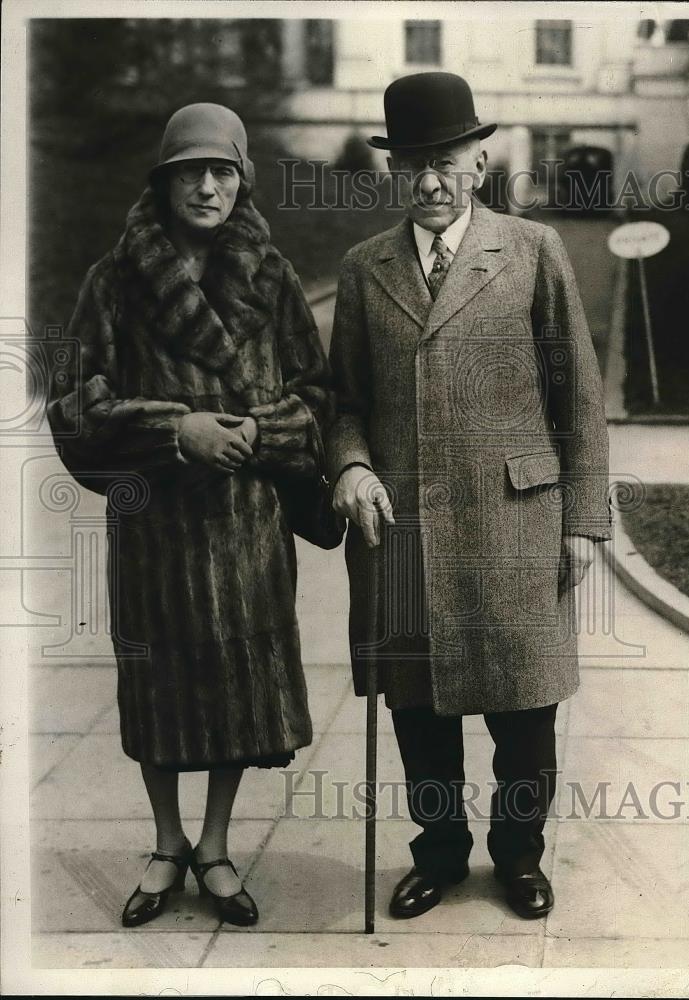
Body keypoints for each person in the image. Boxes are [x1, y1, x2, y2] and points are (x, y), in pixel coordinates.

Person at [327, 73, 611, 920]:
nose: (428, 181)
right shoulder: (362, 267)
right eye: (412, 162)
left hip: (517, 519)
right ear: (393, 168)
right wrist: (349, 465)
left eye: (445, 160)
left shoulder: (532, 250)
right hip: (404, 528)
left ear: (479, 160)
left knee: (525, 711)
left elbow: (579, 395)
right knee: (421, 711)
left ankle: (519, 857)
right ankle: (440, 853)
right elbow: (344, 401)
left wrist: (585, 520)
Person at [47, 103, 333, 928]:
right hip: (158, 525)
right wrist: (178, 431)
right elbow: (75, 402)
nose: (206, 187)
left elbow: (315, 393)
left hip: (246, 524)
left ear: (243, 179)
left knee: (235, 693)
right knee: (161, 683)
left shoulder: (271, 274)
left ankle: (213, 846)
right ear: (163, 179)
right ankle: (166, 843)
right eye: (189, 171)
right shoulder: (115, 276)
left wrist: (259, 432)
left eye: (222, 171)